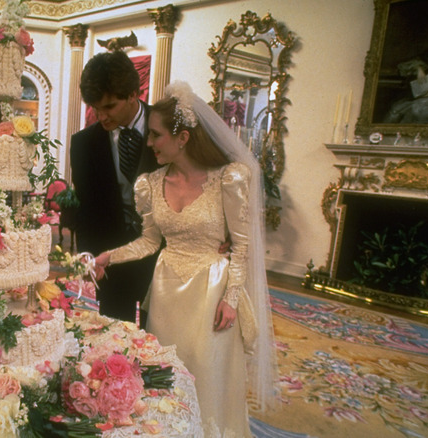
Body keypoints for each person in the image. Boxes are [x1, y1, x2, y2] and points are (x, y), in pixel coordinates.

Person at [94, 82, 278, 436]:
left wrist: (232, 299)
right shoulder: (149, 183)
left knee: (206, 374)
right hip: (166, 291)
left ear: (184, 138)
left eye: (156, 135)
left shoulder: (230, 179)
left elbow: (242, 246)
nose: (149, 143)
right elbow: (149, 242)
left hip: (211, 292)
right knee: (166, 373)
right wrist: (108, 257)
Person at [70, 51, 160, 323]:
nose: (101, 116)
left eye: (109, 106)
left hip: (163, 255)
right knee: (115, 339)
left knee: (160, 337)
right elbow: (85, 208)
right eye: (95, 108)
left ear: (133, 94)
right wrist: (88, 257)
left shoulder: (169, 124)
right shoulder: (83, 143)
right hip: (111, 256)